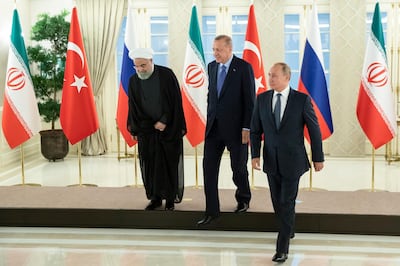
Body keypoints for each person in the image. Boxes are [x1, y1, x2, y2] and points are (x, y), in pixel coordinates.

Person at [250, 62, 324, 263]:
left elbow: (314, 130)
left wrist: (318, 157)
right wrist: (255, 155)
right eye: (269, 75)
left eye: (274, 75)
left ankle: (282, 248)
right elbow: (255, 130)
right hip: (271, 161)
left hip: (293, 160)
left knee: (286, 201)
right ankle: (288, 228)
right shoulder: (262, 99)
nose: (270, 79)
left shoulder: (301, 100)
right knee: (277, 202)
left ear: (286, 78)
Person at [197, 35, 256, 226]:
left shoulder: (244, 67)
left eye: (219, 50)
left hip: (237, 129)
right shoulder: (212, 67)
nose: (215, 53)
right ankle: (212, 210)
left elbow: (250, 101)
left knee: (238, 168)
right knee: (209, 170)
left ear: (229, 49)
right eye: (213, 49)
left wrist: (247, 127)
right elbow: (212, 96)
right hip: (214, 128)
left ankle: (243, 198)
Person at [127, 48, 186, 211]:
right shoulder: (133, 81)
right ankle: (155, 198)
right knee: (151, 164)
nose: (140, 69)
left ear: (151, 61)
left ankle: (170, 199)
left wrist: (164, 121)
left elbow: (175, 103)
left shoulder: (167, 75)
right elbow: (133, 107)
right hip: (147, 131)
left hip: (167, 130)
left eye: (143, 65)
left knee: (168, 164)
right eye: (137, 66)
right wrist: (135, 129)